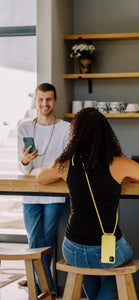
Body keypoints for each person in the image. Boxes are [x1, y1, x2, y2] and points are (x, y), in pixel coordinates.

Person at [36, 107, 139, 300]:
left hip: (72, 248)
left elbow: (40, 178)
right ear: (106, 133)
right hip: (106, 247)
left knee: (86, 267)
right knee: (118, 264)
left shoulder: (65, 163)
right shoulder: (118, 163)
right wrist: (127, 177)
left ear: (76, 135)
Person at [17, 83, 70, 299]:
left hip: (55, 192)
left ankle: (39, 284)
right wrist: (25, 159)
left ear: (55, 100)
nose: (44, 104)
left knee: (46, 241)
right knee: (34, 240)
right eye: (40, 99)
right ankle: (48, 288)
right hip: (30, 190)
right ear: (35, 100)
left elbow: (66, 163)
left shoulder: (66, 128)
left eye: (48, 99)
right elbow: (21, 166)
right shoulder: (24, 127)